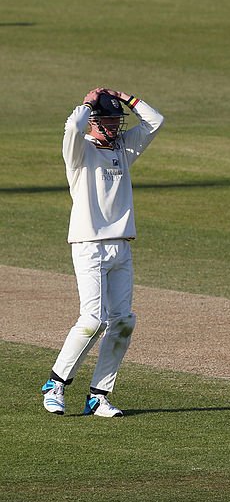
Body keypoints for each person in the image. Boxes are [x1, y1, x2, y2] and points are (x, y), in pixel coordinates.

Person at [41, 87, 165, 417]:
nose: (114, 127)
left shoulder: (124, 149)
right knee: (93, 319)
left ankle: (98, 395)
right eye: (108, 121)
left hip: (121, 246)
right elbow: (71, 127)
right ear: (94, 121)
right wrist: (87, 100)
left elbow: (155, 121)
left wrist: (125, 97)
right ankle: (55, 384)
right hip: (89, 245)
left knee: (123, 321)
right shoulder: (79, 152)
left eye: (117, 121)